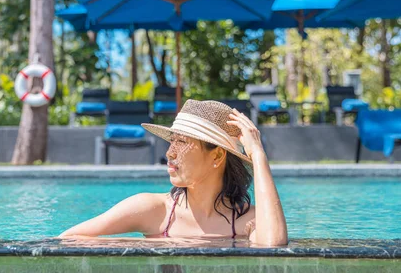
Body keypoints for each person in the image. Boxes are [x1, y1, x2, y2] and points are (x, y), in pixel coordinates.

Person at [59, 99, 288, 246]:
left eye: (182, 142)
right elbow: (67, 239)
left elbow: (274, 243)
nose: (170, 153)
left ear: (217, 156)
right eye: (172, 141)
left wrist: (257, 154)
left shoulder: (247, 221)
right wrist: (142, 243)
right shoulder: (154, 210)